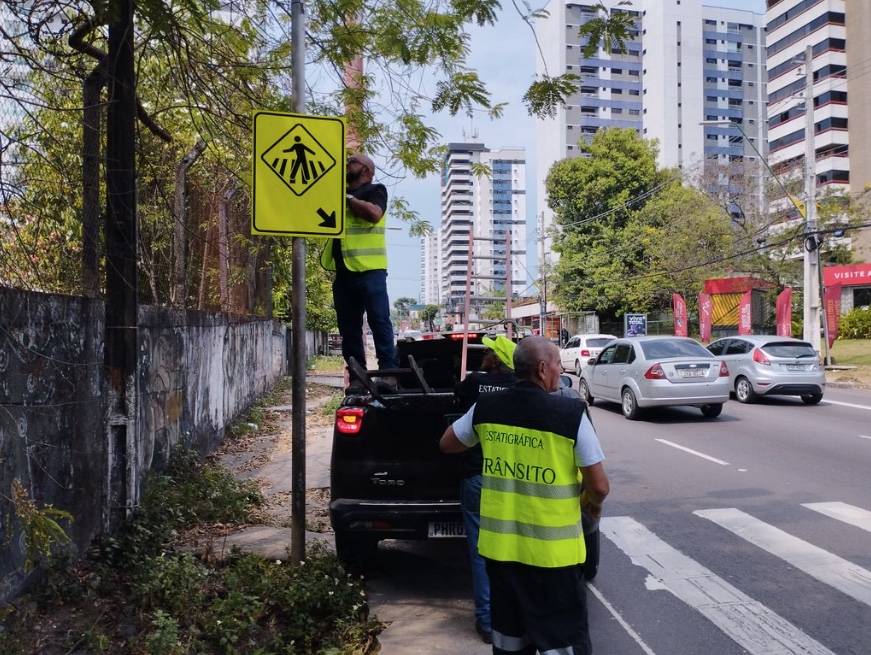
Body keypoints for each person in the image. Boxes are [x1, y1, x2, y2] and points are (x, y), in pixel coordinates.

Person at [439, 336, 609, 655]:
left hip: (502, 556)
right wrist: (592, 506)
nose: (561, 371)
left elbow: (447, 443)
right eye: (559, 364)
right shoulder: (571, 413)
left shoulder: (486, 408)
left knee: (510, 640)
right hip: (554, 559)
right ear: (543, 369)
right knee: (563, 642)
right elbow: (599, 486)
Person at [454, 335, 519, 644]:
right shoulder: (522, 388)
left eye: (489, 351)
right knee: (513, 550)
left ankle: (487, 622)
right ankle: (516, 618)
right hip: (513, 478)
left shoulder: (475, 382)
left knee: (481, 552)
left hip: (477, 476)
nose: (484, 354)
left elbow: (457, 401)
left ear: (497, 360)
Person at [321, 152, 398, 391]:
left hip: (370, 270)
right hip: (344, 272)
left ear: (366, 169)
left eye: (352, 161)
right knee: (349, 328)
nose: (346, 164)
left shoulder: (376, 190)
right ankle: (357, 376)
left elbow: (374, 214)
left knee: (379, 320)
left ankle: (389, 374)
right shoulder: (339, 194)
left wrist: (347, 198)